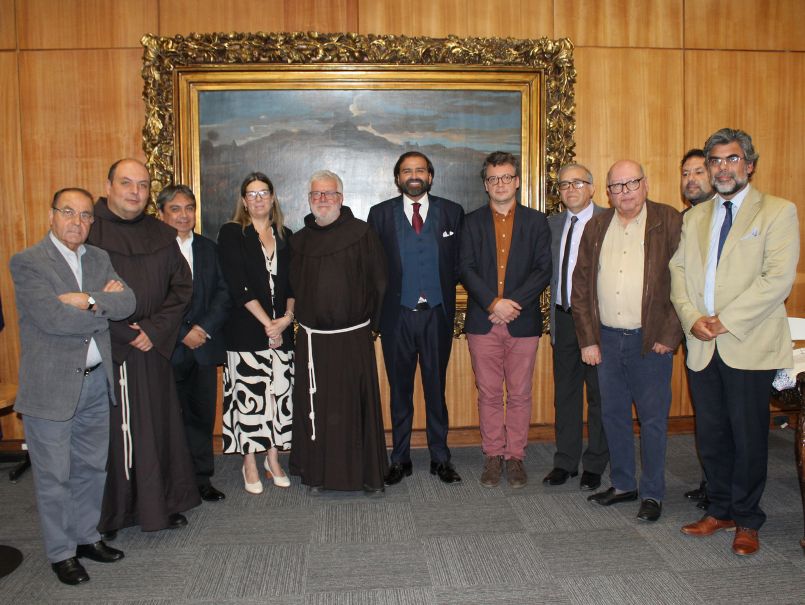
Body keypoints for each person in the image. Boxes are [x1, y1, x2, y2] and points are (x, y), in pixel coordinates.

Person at [671, 128, 799, 556]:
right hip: (702, 344)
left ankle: (747, 519)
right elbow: (678, 277)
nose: (722, 168)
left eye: (731, 160)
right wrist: (693, 320)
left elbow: (776, 281)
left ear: (749, 164)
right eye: (715, 161)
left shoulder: (778, 212)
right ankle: (720, 508)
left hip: (748, 342)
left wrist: (723, 321)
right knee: (712, 434)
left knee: (748, 438)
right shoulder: (694, 217)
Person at [11, 188, 135, 585]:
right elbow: (52, 319)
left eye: (85, 215)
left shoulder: (99, 258)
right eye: (68, 212)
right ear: (52, 215)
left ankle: (86, 537)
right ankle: (61, 553)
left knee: (90, 468)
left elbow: (128, 303)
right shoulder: (28, 262)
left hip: (96, 384)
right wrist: (101, 307)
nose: (77, 222)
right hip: (50, 389)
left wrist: (82, 299)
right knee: (54, 475)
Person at [88, 158, 200, 536]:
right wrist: (123, 331)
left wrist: (153, 329)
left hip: (152, 348)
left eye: (142, 185)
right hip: (106, 348)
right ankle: (111, 514)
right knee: (112, 435)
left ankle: (159, 505)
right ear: (108, 186)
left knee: (155, 430)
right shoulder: (88, 229)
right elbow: (78, 290)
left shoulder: (160, 233)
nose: (135, 192)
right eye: (127, 183)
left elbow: (181, 287)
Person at [572, 160, 682, 522]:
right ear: (608, 192)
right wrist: (588, 339)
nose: (624, 193)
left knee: (652, 421)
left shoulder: (669, 221)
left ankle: (652, 492)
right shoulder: (597, 225)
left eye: (631, 184)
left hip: (650, 342)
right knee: (613, 416)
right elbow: (581, 286)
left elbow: (685, 284)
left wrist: (669, 334)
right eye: (616, 187)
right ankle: (623, 483)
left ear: (645, 184)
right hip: (606, 338)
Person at [367, 151, 464, 486]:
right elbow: (373, 268)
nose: (413, 175)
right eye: (406, 170)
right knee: (399, 392)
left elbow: (459, 264)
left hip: (436, 315)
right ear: (397, 178)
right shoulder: (379, 215)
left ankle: (441, 458)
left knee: (436, 390)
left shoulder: (452, 213)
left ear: (430, 176)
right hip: (397, 318)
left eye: (419, 170)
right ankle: (400, 458)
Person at [289, 170, 389, 494]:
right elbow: (293, 288)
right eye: (316, 194)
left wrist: (371, 327)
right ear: (309, 199)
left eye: (328, 194)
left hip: (352, 338)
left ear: (341, 198)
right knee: (317, 407)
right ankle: (318, 472)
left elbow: (379, 282)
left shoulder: (361, 233)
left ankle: (363, 474)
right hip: (312, 341)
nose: (322, 200)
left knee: (352, 408)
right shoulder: (299, 240)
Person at [460, 151, 551, 488]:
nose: (500, 184)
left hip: (522, 322)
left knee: (520, 393)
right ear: (486, 184)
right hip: (483, 323)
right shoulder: (470, 222)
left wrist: (513, 305)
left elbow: (544, 269)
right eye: (493, 178)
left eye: (506, 177)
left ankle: (515, 457)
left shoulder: (536, 222)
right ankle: (493, 455)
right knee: (488, 393)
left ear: (517, 181)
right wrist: (493, 303)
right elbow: (465, 268)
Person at [217, 172, 295, 494]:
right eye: (251, 194)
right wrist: (268, 324)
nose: (258, 199)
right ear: (243, 201)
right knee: (250, 400)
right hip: (247, 331)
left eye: (264, 193)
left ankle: (272, 459)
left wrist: (286, 319)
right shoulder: (233, 233)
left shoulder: (286, 235)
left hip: (283, 332)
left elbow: (293, 284)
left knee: (278, 397)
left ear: (273, 197)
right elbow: (238, 286)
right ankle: (249, 460)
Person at [157, 185, 231, 502]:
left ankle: (201, 479)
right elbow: (151, 300)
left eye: (189, 208)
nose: (184, 215)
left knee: (201, 417)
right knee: (168, 419)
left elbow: (224, 294)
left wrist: (203, 328)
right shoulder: (152, 251)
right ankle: (172, 482)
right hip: (167, 349)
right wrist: (183, 330)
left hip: (203, 347)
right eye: (176, 208)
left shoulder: (209, 248)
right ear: (161, 214)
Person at [543, 163, 608, 491]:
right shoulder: (552, 224)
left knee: (599, 395)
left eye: (578, 183)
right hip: (563, 318)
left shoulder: (609, 221)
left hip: (598, 321)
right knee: (565, 394)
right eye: (564, 184)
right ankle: (565, 461)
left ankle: (595, 463)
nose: (570, 189)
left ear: (592, 188)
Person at [679, 148, 716, 508]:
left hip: (728, 334)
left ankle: (728, 492)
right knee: (707, 416)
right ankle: (712, 484)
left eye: (699, 172)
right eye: (686, 173)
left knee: (730, 419)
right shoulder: (684, 220)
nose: (691, 180)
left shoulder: (727, 220)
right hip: (695, 333)